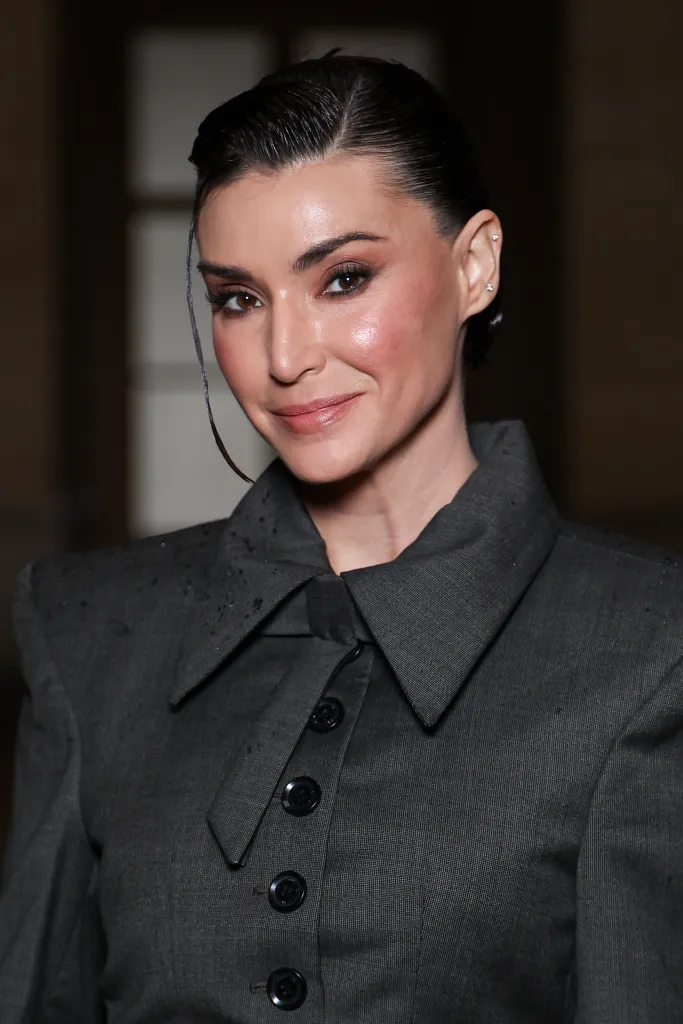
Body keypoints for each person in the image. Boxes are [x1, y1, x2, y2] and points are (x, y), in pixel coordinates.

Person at [1, 53, 682, 1024]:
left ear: (472, 265)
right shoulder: (83, 630)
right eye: (237, 298)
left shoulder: (649, 645)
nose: (283, 357)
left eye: (343, 278)